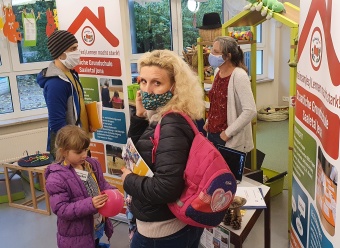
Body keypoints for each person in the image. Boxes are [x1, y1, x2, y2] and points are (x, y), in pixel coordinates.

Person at [121, 49, 205, 248]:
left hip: (162, 233)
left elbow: (166, 189)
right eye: (143, 81)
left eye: (157, 83)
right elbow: (137, 153)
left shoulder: (171, 124)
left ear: (175, 86)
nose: (147, 90)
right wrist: (140, 117)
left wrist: (128, 180)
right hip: (168, 226)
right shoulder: (163, 116)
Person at [45, 125, 115, 248]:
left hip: (96, 224)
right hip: (76, 234)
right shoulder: (56, 178)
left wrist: (113, 192)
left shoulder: (92, 164)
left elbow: (102, 184)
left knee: (95, 242)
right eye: (78, 152)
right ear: (63, 152)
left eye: (85, 149)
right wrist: (90, 204)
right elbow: (61, 209)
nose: (84, 155)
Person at [37, 30, 92, 158]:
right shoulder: (56, 84)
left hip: (79, 141)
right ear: (60, 54)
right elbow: (57, 123)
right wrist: (75, 145)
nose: (77, 52)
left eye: (77, 47)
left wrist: (87, 124)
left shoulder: (71, 74)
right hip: (69, 146)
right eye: (73, 48)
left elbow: (78, 106)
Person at [203, 36, 257, 152]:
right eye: (212, 50)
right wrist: (209, 121)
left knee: (228, 170)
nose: (211, 54)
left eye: (216, 52)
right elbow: (216, 102)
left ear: (228, 56)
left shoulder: (239, 75)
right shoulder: (217, 71)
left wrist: (228, 133)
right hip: (212, 133)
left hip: (227, 137)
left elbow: (250, 110)